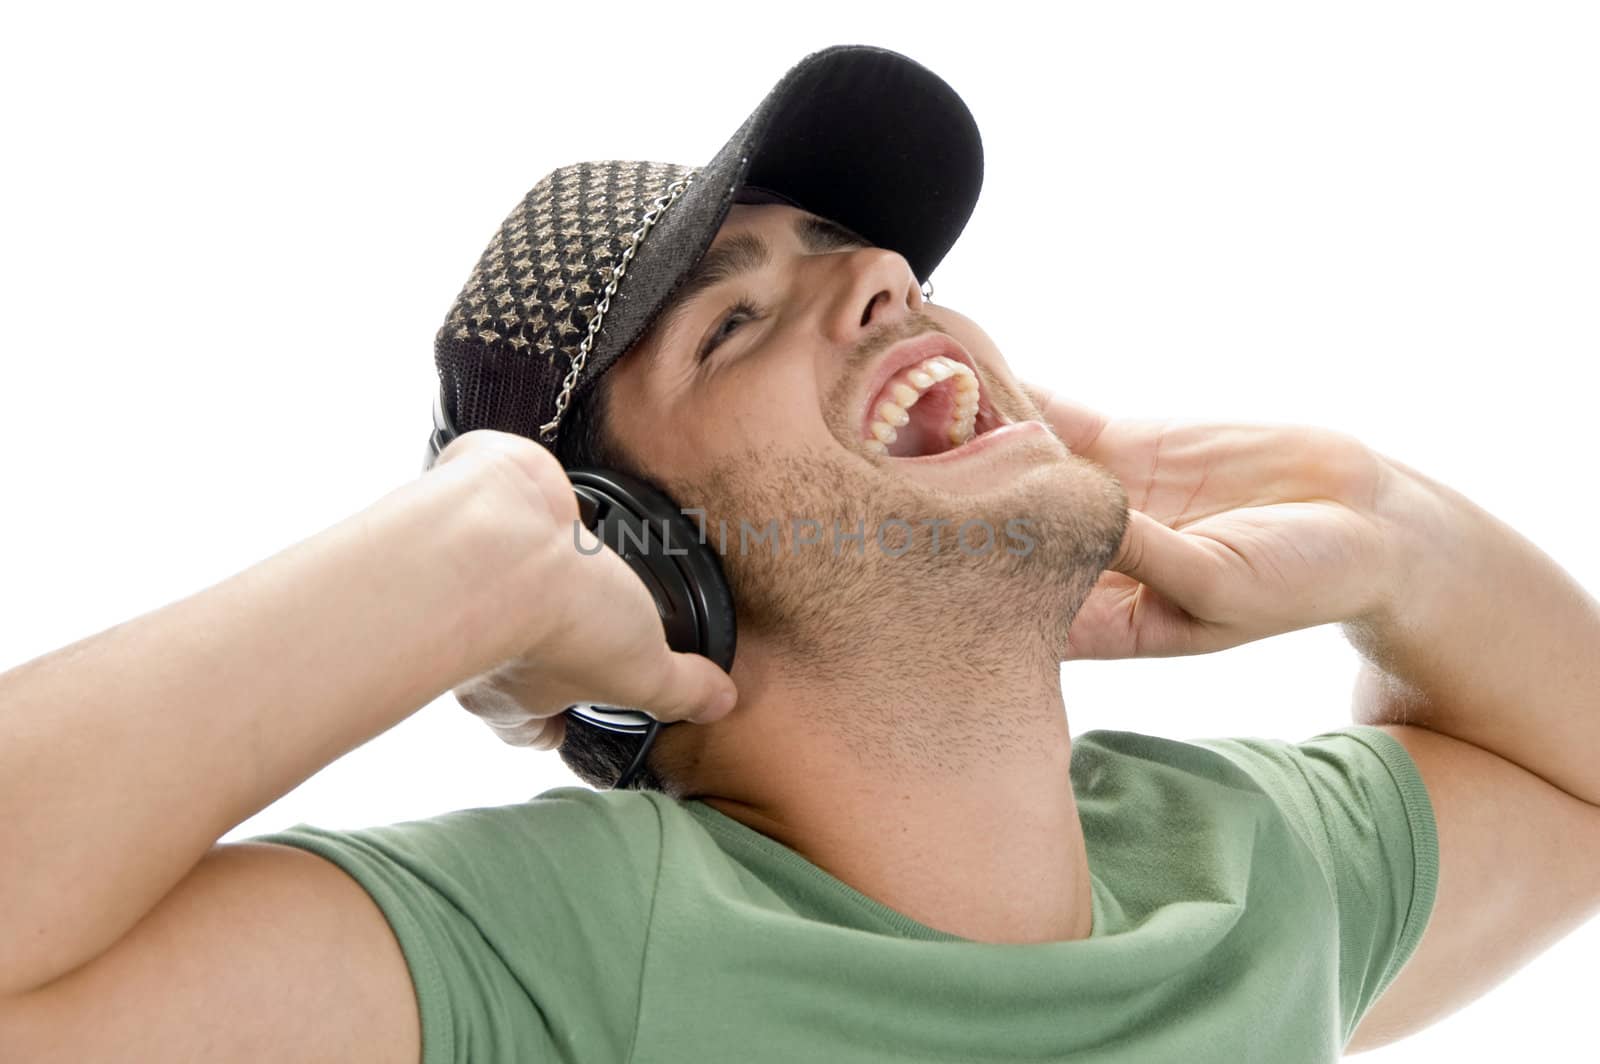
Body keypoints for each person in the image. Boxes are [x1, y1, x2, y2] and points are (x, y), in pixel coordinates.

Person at [2, 43, 1597, 1064]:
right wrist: (469, 547)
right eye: (737, 319)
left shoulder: (1244, 869)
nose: (894, 279)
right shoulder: (559, 959)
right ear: (633, 553)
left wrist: (1377, 521)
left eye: (861, 256)